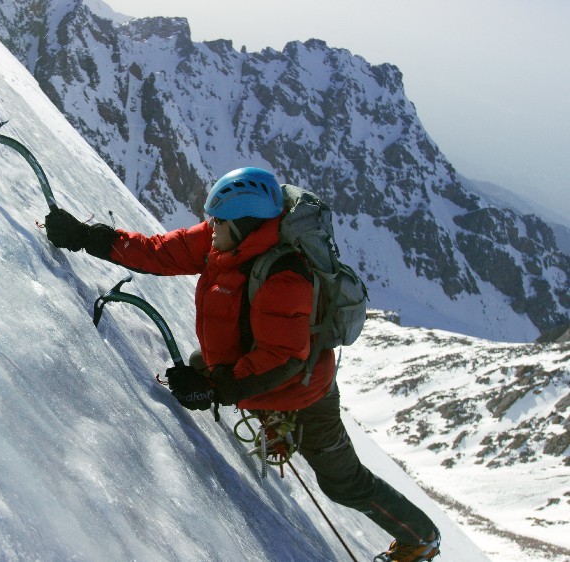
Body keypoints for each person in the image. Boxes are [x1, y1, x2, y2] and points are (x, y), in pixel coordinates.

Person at [45, 167, 441, 562]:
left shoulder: (285, 278)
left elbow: (281, 361)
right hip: (254, 377)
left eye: (220, 220)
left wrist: (215, 390)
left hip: (304, 395)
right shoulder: (225, 241)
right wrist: (87, 238)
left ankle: (421, 539)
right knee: (202, 365)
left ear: (246, 223)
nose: (210, 226)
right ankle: (272, 420)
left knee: (343, 484)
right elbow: (159, 252)